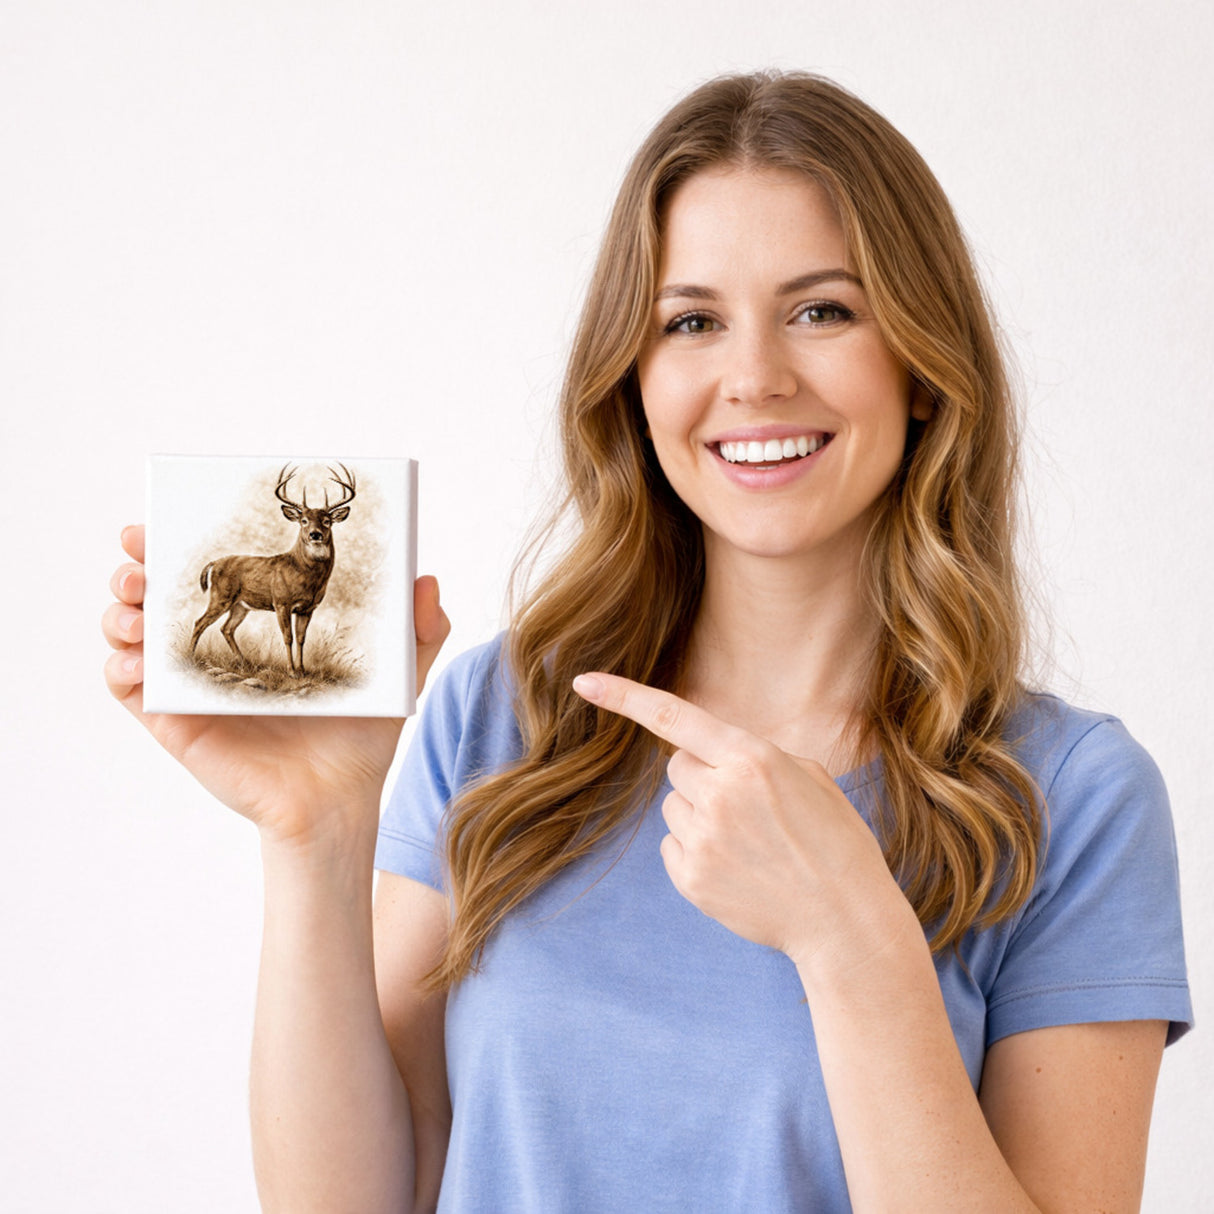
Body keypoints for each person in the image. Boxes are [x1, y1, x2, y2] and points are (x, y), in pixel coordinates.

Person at [103, 71, 1191, 1213]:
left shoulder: (1072, 797)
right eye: (690, 321)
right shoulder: (498, 714)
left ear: (921, 365)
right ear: (633, 376)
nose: (754, 376)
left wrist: (849, 940)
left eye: (822, 309)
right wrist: (318, 839)